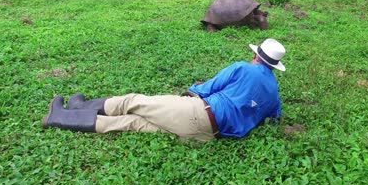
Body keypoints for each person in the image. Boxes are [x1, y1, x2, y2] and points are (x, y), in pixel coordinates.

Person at [42, 38, 286, 141]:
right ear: (275, 66)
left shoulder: (243, 68)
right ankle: (63, 116)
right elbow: (274, 118)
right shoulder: (274, 94)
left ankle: (78, 107)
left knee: (133, 101)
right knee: (132, 123)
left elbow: (209, 87)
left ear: (256, 55)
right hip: (206, 137)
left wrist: (189, 91)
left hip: (197, 112)